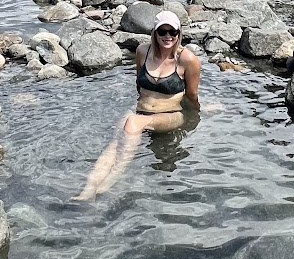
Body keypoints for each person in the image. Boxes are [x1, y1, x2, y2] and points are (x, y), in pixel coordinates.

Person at [74, 10, 201, 201]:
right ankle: (89, 188)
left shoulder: (187, 59)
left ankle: (109, 182)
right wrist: (138, 111)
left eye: (172, 32)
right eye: (162, 32)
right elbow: (139, 84)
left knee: (132, 123)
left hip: (172, 113)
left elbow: (192, 94)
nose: (167, 37)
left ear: (179, 33)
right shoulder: (143, 51)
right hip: (141, 111)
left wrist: (197, 113)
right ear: (154, 33)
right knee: (116, 140)